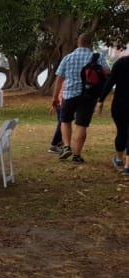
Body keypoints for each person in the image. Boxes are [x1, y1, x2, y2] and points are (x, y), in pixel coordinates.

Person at [51, 33, 110, 163]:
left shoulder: (68, 58)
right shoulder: (97, 57)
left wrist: (55, 97)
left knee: (65, 121)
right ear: (90, 44)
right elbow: (107, 72)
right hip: (88, 96)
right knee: (81, 125)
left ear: (78, 42)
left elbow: (59, 79)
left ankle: (66, 146)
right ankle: (77, 155)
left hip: (69, 94)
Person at [97, 55, 129, 176]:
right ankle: (128, 167)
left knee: (121, 131)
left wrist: (101, 100)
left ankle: (120, 160)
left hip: (120, 104)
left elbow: (110, 82)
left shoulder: (121, 62)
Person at [48, 81, 65, 153]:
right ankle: (54, 145)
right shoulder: (66, 81)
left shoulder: (64, 81)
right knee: (62, 124)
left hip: (60, 104)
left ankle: (59, 143)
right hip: (61, 104)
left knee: (62, 124)